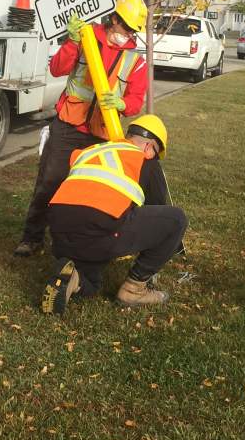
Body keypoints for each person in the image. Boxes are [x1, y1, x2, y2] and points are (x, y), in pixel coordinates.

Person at [13, 0, 158, 257]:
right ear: (114, 19)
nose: (128, 34)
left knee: (90, 190)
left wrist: (122, 104)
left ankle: (73, 243)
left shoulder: (135, 61)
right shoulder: (86, 36)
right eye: (125, 27)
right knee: (50, 183)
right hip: (69, 124)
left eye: (133, 31)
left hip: (102, 135)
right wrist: (72, 43)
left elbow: (136, 99)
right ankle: (32, 238)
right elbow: (57, 69)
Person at [40, 115, 186, 314]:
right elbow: (157, 209)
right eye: (155, 152)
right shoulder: (144, 160)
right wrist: (170, 246)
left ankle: (73, 277)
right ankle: (134, 290)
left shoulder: (91, 151)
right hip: (99, 233)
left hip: (59, 235)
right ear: (148, 147)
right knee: (176, 220)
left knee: (92, 283)